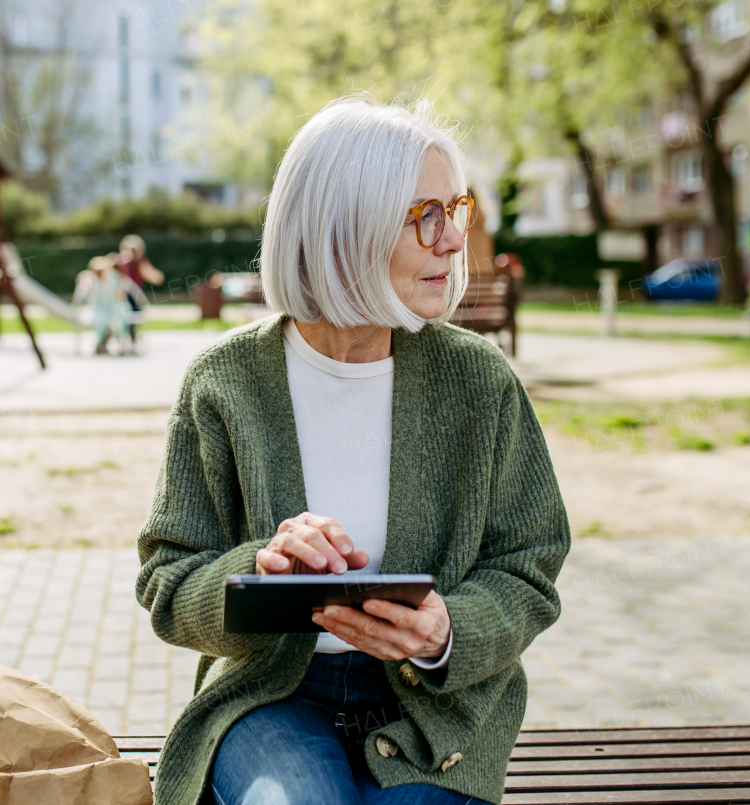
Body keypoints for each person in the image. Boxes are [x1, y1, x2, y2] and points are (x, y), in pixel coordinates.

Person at [136, 96, 571, 805]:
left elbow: (529, 564)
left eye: (452, 210)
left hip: (436, 709)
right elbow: (168, 582)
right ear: (345, 227)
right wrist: (260, 567)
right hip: (271, 700)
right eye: (425, 217)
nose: (455, 240)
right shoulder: (223, 382)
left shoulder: (479, 380)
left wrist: (445, 631)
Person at [115, 234, 164, 346]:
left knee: (132, 315)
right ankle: (131, 337)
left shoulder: (133, 260)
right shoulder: (129, 260)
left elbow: (147, 272)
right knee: (132, 315)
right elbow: (147, 273)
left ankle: (131, 337)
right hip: (130, 292)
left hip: (133, 292)